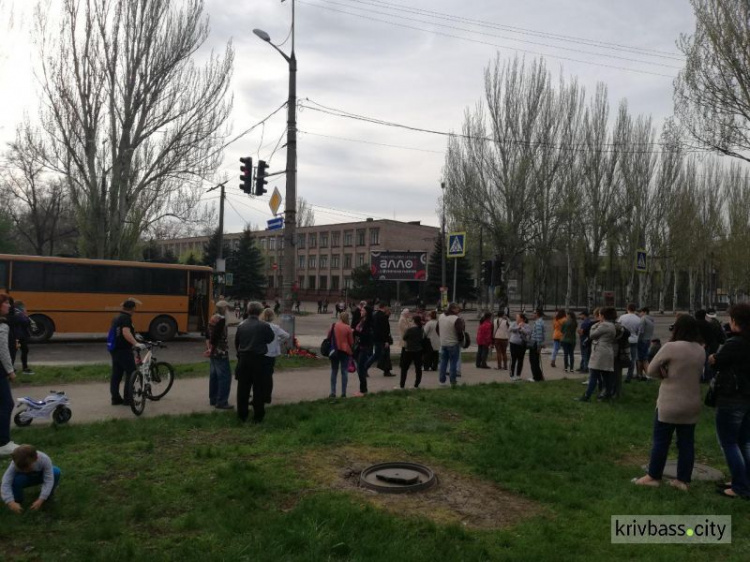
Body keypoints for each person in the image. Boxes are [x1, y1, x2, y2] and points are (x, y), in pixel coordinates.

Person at [632, 315, 705, 491]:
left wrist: (663, 372)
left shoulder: (670, 347)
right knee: (686, 443)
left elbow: (650, 370)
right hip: (692, 401)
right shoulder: (700, 349)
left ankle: (654, 476)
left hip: (670, 401)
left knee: (661, 440)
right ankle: (683, 480)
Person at [708, 303, 750, 499]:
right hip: (747, 397)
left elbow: (718, 361)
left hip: (732, 397)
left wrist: (712, 358)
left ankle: (740, 486)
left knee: (729, 442)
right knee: (744, 441)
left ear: (735, 321)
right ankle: (743, 479)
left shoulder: (735, 343)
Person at [235, 302, 275, 423]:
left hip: (244, 359)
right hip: (258, 359)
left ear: (248, 311)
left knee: (242, 388)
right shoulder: (263, 326)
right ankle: (258, 416)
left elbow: (237, 343)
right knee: (259, 388)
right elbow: (270, 339)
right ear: (259, 312)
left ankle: (242, 415)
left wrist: (240, 355)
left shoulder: (241, 326)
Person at [2, 445, 61, 512]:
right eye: (22, 469)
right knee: (15, 481)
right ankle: (17, 500)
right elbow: (6, 481)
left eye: (28, 468)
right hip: (23, 478)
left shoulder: (44, 459)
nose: (25, 470)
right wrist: (10, 502)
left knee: (55, 472)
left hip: (39, 475)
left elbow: (49, 480)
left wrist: (41, 499)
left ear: (36, 459)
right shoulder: (15, 463)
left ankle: (48, 495)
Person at [578, 307, 616, 402]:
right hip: (606, 352)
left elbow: (592, 335)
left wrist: (594, 325)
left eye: (599, 315)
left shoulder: (604, 326)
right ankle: (606, 395)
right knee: (606, 376)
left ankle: (587, 396)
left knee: (594, 375)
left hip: (600, 353)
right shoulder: (611, 325)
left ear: (602, 316)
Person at [108, 298, 141, 406]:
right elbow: (125, 332)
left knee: (116, 374)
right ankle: (128, 399)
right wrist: (136, 343)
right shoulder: (126, 318)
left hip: (115, 349)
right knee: (131, 373)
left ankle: (115, 398)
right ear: (133, 309)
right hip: (124, 350)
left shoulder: (117, 318)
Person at [206, 300, 233, 410]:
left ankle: (213, 398)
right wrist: (212, 349)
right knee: (225, 377)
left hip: (213, 352)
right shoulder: (221, 320)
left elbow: (208, 334)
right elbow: (215, 337)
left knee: (214, 376)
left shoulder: (213, 317)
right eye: (227, 308)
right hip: (220, 352)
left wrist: (209, 349)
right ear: (224, 309)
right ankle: (222, 401)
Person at [260, 308, 290, 404]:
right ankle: (267, 396)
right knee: (268, 376)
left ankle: (260, 394)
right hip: (272, 353)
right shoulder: (275, 327)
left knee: (259, 375)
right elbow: (286, 335)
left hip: (261, 353)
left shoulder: (260, 326)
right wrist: (278, 342)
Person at [0, 294, 18, 456]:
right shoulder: (2, 324)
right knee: (7, 404)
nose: (9, 306)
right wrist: (10, 371)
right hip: (0, 371)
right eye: (5, 303)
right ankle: (3, 443)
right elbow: (3, 350)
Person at [437, 302, 465, 387]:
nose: (458, 309)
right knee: (453, 363)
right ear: (453, 309)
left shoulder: (441, 316)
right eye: (457, 308)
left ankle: (442, 380)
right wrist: (461, 341)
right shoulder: (456, 319)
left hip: (443, 343)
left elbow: (437, 329)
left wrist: (442, 336)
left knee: (443, 362)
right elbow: (460, 332)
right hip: (453, 344)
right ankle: (453, 381)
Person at [328, 311, 354, 398]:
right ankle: (343, 393)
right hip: (344, 351)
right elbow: (351, 342)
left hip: (334, 350)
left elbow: (328, 336)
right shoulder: (348, 327)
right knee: (344, 371)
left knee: (334, 371)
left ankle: (333, 392)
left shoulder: (333, 325)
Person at [398, 315, 425, 389]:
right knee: (418, 368)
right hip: (418, 350)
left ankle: (402, 385)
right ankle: (416, 384)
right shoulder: (421, 329)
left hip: (409, 350)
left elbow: (404, 337)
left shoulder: (410, 330)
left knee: (404, 368)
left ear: (413, 321)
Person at [366, 302, 392, 376]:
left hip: (377, 338)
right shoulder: (382, 316)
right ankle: (365, 367)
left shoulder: (376, 315)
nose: (388, 309)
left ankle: (387, 370)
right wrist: (386, 340)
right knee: (380, 354)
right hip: (382, 339)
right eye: (387, 307)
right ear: (384, 307)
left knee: (380, 354)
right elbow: (384, 330)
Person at [353, 305, 374, 396]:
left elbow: (365, 336)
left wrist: (354, 332)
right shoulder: (361, 321)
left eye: (362, 310)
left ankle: (363, 390)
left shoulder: (368, 323)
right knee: (359, 368)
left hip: (364, 347)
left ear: (367, 312)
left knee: (360, 369)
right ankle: (363, 389)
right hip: (358, 346)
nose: (361, 311)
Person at [618, 303, 641, 382]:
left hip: (623, 340)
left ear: (627, 309)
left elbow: (618, 327)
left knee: (621, 356)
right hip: (634, 339)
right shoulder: (638, 319)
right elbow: (639, 331)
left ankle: (618, 375)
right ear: (635, 309)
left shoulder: (622, 317)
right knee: (633, 358)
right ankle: (629, 376)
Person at [11, 301, 33, 375]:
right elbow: (25, 322)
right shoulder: (19, 313)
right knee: (20, 351)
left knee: (15, 352)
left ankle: (13, 368)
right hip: (19, 336)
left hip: (18, 335)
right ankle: (24, 368)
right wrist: (25, 315)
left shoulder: (14, 312)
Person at [508, 313, 531, 381]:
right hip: (513, 343)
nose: (516, 319)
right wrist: (518, 327)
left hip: (522, 344)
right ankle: (512, 375)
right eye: (516, 317)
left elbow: (528, 332)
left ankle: (518, 375)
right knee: (513, 359)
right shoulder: (514, 323)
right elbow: (510, 329)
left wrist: (522, 328)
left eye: (518, 317)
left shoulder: (527, 325)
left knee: (520, 360)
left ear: (522, 319)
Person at [636, 307, 655, 379]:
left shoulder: (643, 319)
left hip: (642, 340)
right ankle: (642, 374)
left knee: (642, 359)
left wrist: (637, 339)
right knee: (644, 357)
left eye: (641, 312)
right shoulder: (651, 320)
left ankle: (647, 374)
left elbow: (641, 331)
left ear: (644, 312)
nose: (640, 314)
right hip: (648, 339)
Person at [528, 309, 545, 382]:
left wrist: (538, 346)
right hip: (536, 344)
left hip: (535, 344)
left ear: (537, 314)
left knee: (533, 361)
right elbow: (542, 335)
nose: (533, 314)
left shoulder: (538, 323)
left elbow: (539, 335)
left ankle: (536, 377)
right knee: (535, 361)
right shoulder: (541, 322)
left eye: (534, 313)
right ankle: (539, 376)